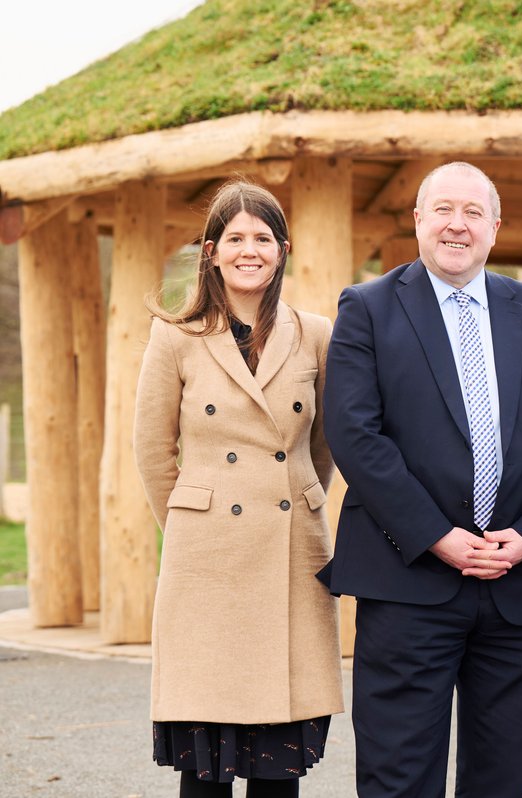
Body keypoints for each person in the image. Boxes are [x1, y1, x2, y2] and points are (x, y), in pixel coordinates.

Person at [316, 161, 522, 797]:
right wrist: (437, 534)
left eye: (473, 213)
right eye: (443, 210)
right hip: (408, 577)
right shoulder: (368, 308)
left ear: (495, 228)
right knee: (398, 777)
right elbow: (357, 435)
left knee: (501, 779)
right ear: (418, 221)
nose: (457, 225)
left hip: (518, 582)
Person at [134, 181, 343, 798]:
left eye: (262, 238)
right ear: (211, 251)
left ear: (282, 250)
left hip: (290, 556)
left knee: (277, 767)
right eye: (235, 239)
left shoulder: (316, 334)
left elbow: (324, 446)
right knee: (206, 770)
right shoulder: (175, 335)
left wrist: (292, 498)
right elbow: (152, 452)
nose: (248, 250)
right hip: (207, 564)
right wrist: (196, 527)